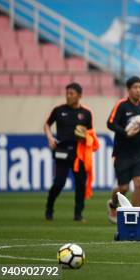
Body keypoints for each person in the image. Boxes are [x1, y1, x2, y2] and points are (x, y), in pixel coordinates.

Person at [106, 76, 140, 223]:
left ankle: (137, 217)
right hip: (122, 153)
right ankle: (113, 204)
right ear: (128, 90)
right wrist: (125, 132)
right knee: (123, 188)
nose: (138, 90)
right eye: (135, 87)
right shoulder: (121, 105)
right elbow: (110, 123)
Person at [44, 83, 93, 222]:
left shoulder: (86, 113)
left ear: (79, 95)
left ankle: (78, 214)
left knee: (80, 184)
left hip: (79, 153)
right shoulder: (59, 110)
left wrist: (85, 137)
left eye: (71, 93)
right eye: (67, 93)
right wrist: (50, 138)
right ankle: (49, 207)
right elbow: (47, 124)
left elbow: (91, 133)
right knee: (59, 182)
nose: (68, 96)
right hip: (62, 151)